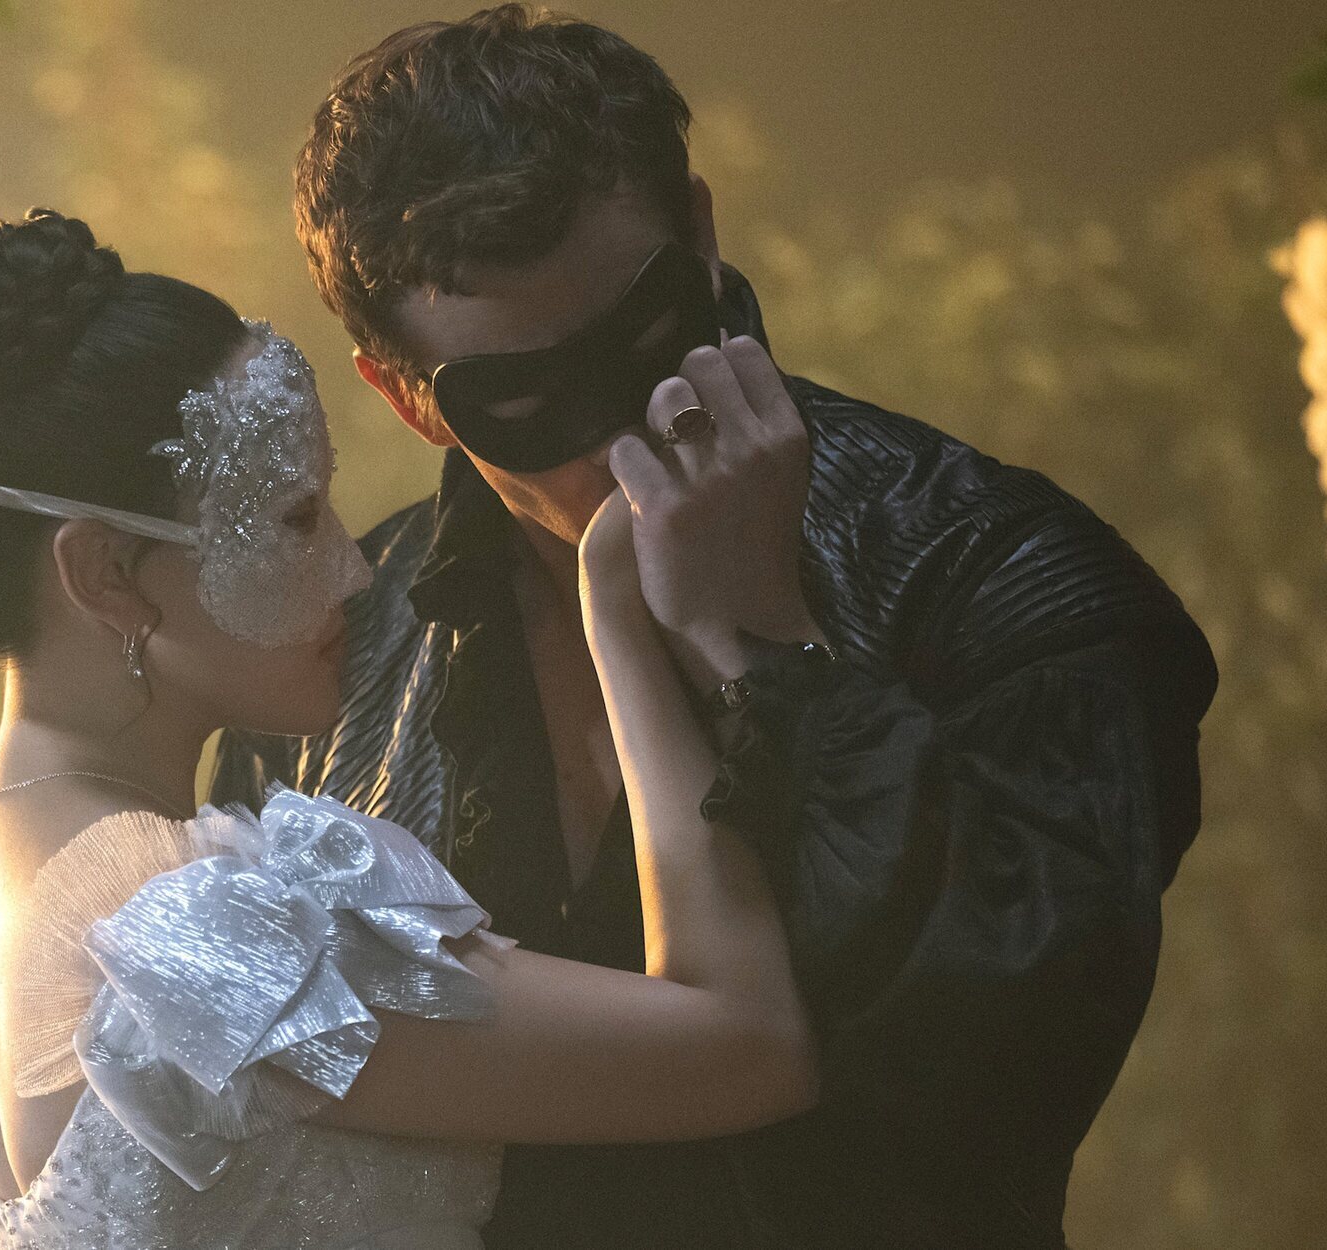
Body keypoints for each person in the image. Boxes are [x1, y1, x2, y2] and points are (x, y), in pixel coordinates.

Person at [213, 7, 1220, 1247]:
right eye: (523, 397)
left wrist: (760, 653)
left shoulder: (991, 568)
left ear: (699, 233)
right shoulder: (326, 657)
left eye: (645, 339)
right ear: (402, 393)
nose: (614, 435)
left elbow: (1013, 1055)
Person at [0, 209, 819, 1250]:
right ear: (104, 573)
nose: (352, 568)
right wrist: (615, 602)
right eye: (295, 519)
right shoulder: (193, 933)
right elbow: (748, 1047)